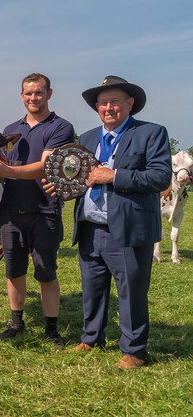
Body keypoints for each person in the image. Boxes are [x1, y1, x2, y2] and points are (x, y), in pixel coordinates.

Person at [67, 76, 170, 368]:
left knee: (131, 291)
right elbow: (76, 178)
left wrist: (113, 176)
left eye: (115, 101)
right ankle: (91, 338)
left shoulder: (151, 133)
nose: (108, 107)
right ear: (96, 107)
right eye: (103, 102)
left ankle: (134, 350)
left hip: (127, 229)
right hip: (89, 227)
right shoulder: (86, 139)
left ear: (130, 103)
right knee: (92, 288)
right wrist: (62, 187)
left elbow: (160, 177)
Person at [0, 73, 74, 347]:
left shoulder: (60, 127)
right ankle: (16, 322)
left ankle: (51, 329)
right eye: (28, 93)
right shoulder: (11, 128)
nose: (33, 98)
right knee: (13, 270)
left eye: (38, 93)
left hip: (44, 211)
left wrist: (7, 170)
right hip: (10, 211)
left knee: (45, 270)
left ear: (49, 94)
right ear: (21, 95)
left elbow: (47, 166)